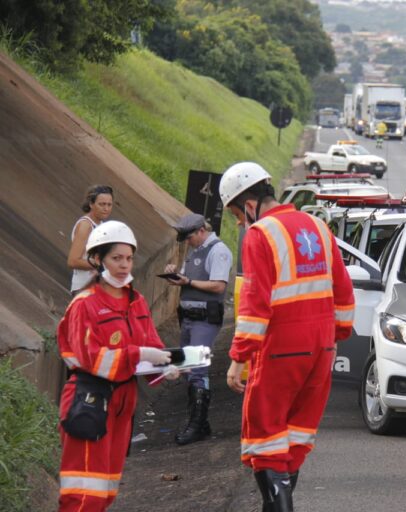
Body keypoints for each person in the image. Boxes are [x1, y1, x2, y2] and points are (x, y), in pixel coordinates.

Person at [219, 162, 355, 512]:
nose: (240, 223)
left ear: (249, 205)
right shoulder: (318, 227)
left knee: (265, 439)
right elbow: (343, 289)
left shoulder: (260, 234)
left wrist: (238, 358)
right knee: (295, 439)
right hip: (321, 349)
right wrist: (337, 333)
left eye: (237, 214)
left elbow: (255, 304)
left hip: (280, 348)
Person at [57, 221, 179, 511]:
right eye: (116, 258)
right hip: (90, 397)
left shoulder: (135, 301)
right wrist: (139, 353)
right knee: (84, 492)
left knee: (107, 489)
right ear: (97, 259)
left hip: (124, 399)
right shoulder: (84, 305)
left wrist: (164, 366)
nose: (124, 265)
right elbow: (91, 358)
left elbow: (151, 343)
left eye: (129, 258)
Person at [163, 213, 233, 445]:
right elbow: (189, 277)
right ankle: (200, 422)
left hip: (205, 318)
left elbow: (218, 285)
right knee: (187, 368)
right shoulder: (196, 250)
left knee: (197, 369)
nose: (187, 242)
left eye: (189, 237)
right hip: (188, 318)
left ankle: (196, 425)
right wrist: (176, 274)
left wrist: (188, 282)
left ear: (201, 231)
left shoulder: (218, 251)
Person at [68, 185, 113, 295]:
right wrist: (101, 264)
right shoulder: (86, 225)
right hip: (83, 289)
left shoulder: (100, 224)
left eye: (109, 204)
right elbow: (73, 261)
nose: (106, 208)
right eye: (102, 204)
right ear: (91, 204)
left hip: (97, 288)